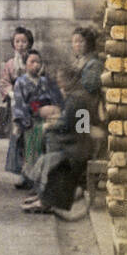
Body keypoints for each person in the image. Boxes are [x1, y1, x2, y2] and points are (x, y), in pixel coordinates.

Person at [21, 72, 100, 215]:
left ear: (71, 81)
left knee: (50, 160)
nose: (60, 85)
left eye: (62, 81)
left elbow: (75, 126)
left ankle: (45, 202)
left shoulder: (78, 99)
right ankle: (42, 197)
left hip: (77, 149)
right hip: (77, 145)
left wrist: (53, 125)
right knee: (46, 157)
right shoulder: (78, 97)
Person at [7, 49, 63, 188]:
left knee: (45, 146)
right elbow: (19, 103)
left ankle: (40, 177)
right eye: (32, 62)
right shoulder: (21, 82)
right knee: (29, 149)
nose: (36, 65)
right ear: (26, 64)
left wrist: (52, 110)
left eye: (38, 62)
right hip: (29, 119)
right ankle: (27, 176)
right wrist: (26, 118)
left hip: (46, 119)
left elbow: (54, 99)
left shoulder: (45, 81)